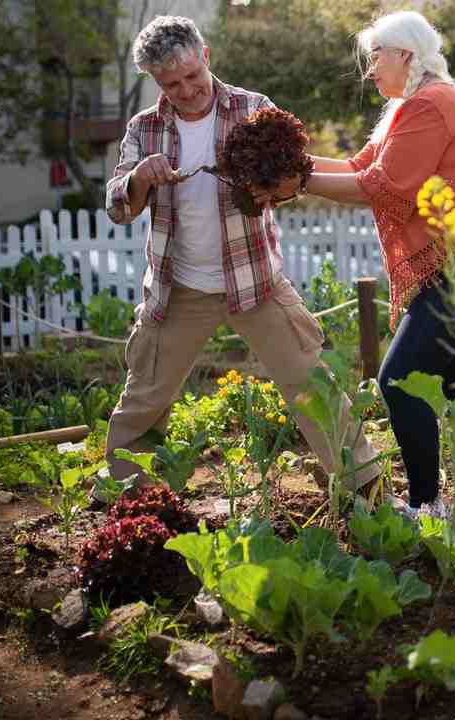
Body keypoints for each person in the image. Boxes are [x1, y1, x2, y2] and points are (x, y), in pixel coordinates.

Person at [256, 11, 455, 533]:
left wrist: (296, 181)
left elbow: (385, 185)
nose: (371, 69)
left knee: (398, 380)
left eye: (377, 56)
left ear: (406, 55)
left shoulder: (433, 102)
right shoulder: (408, 108)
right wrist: (290, 162)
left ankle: (427, 505)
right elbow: (358, 168)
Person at [103, 15, 380, 497]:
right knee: (143, 399)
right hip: (179, 288)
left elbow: (293, 181)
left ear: (206, 57)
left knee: (314, 387)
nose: (187, 90)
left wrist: (275, 185)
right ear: (155, 81)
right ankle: (126, 504)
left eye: (193, 76)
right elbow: (118, 208)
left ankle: (367, 492)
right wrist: (138, 179)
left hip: (256, 283)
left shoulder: (254, 110)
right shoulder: (143, 129)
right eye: (172, 84)